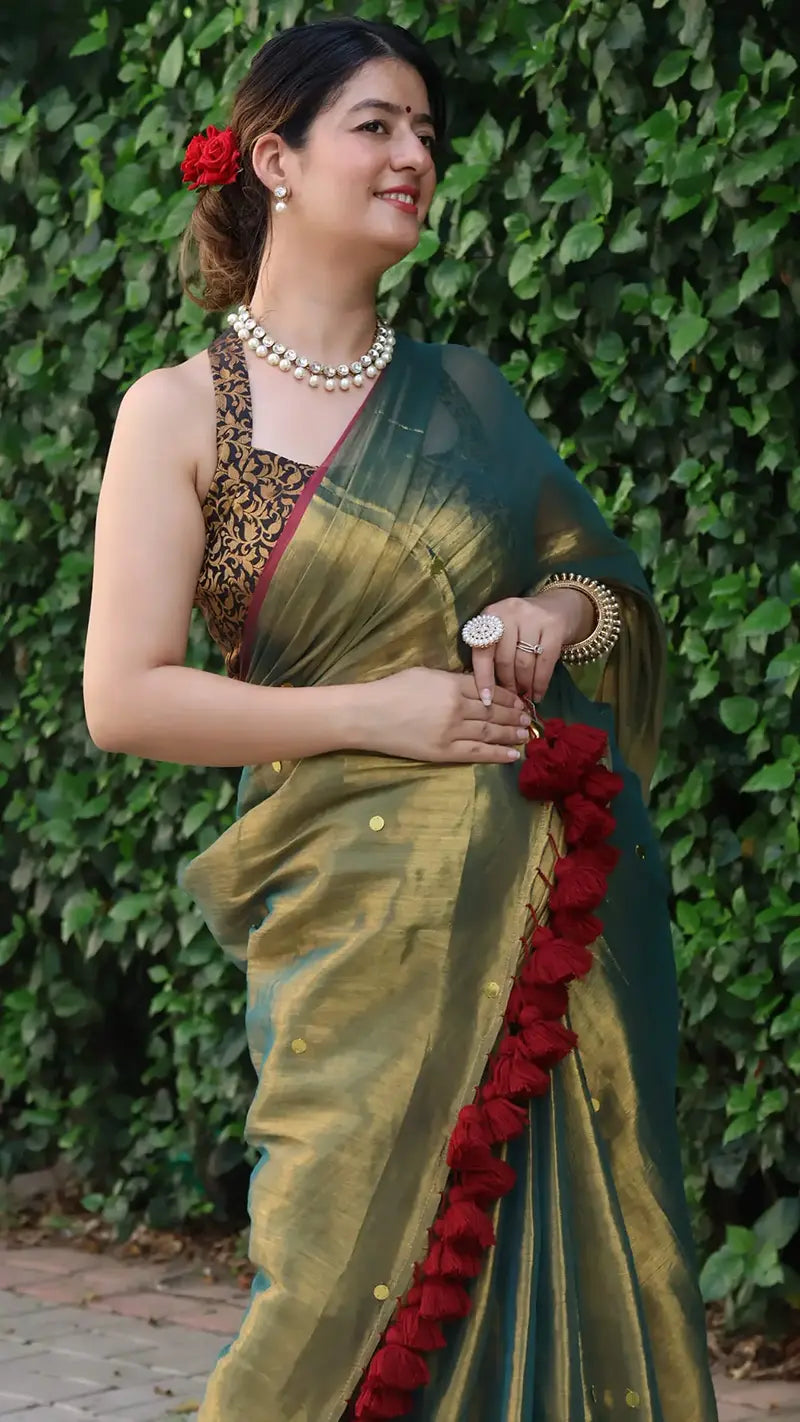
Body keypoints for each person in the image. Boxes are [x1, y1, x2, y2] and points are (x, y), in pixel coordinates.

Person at [82, 16, 719, 1422]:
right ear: (274, 160)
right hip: (353, 924)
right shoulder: (183, 414)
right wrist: (382, 708)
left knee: (583, 1249)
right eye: (377, 125)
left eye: (426, 132)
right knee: (325, 1282)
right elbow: (126, 695)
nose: (416, 155)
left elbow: (601, 578)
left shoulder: (469, 398)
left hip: (554, 918)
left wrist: (550, 620)